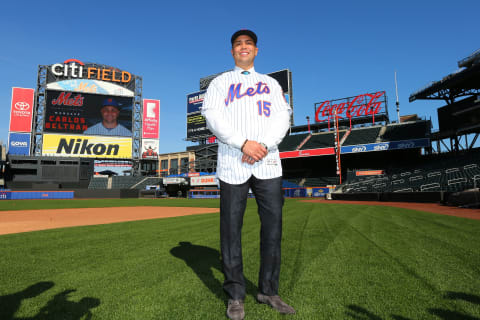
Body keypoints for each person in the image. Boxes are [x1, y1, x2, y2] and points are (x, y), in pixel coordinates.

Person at [201, 29, 294, 320]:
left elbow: (283, 116)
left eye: (248, 44)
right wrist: (244, 143)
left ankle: (268, 290)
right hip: (233, 161)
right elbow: (212, 116)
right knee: (230, 230)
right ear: (232, 52)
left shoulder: (269, 83)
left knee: (273, 228)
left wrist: (262, 145)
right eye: (238, 44)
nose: (243, 47)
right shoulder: (219, 83)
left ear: (256, 50)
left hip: (267, 161)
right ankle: (236, 294)